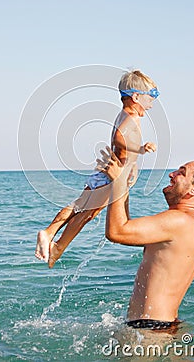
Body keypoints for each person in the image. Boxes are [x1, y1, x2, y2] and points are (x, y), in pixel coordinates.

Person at [35, 70, 160, 268]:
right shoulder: (131, 118)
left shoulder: (123, 114)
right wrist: (141, 149)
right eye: (152, 97)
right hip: (113, 174)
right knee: (85, 213)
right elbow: (120, 138)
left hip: (106, 171)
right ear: (136, 97)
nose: (153, 102)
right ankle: (57, 247)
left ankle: (50, 233)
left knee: (82, 208)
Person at [98, 147, 194, 330]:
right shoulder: (188, 224)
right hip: (163, 326)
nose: (172, 174)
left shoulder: (179, 221)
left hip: (150, 329)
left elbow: (116, 231)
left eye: (181, 173)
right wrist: (122, 183)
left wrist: (118, 182)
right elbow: (125, 227)